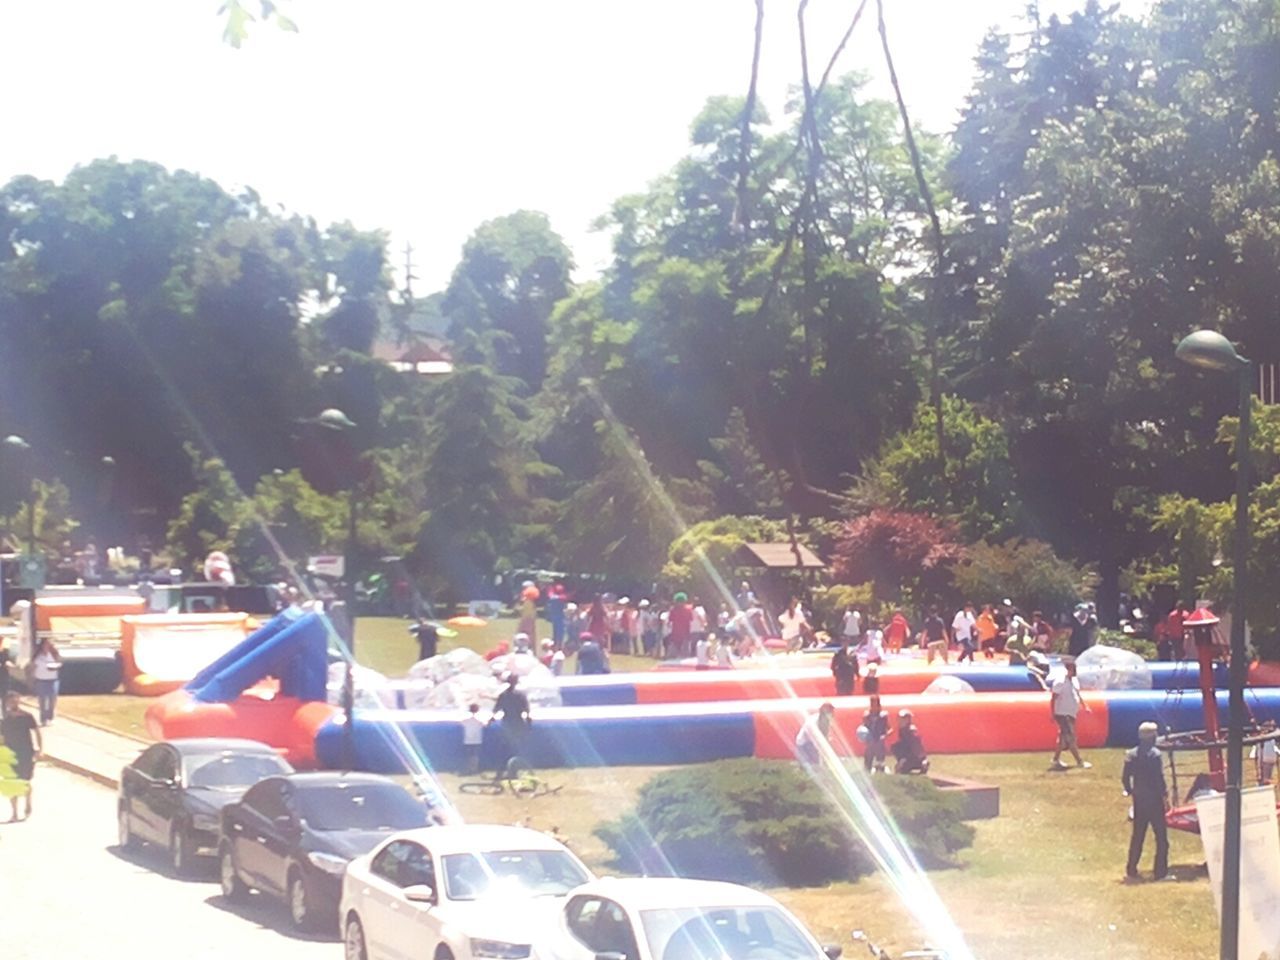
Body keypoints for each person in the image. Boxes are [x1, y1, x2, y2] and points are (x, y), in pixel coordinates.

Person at [1122, 721, 1169, 881]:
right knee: (1161, 838)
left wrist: (1130, 791)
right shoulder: (1155, 755)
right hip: (1154, 800)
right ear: (1151, 737)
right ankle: (1160, 872)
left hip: (1139, 800)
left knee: (1138, 836)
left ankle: (1131, 869)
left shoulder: (1131, 754)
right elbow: (1159, 778)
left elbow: (1125, 777)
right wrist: (1164, 793)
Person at [2, 691, 41, 821]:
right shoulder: (5, 720)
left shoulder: (27, 716)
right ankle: (14, 813)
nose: (13, 703)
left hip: (26, 753)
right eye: (11, 701)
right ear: (7, 702)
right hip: (10, 755)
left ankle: (28, 802)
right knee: (11, 783)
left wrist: (40, 749)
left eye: (15, 700)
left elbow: (37, 731)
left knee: (25, 781)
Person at [1050, 659, 1092, 770]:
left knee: (1063, 737)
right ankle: (1079, 761)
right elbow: (1053, 698)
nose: (1075, 672)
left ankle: (1056, 759)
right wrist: (1052, 713)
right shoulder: (1060, 682)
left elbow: (1077, 694)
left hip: (1071, 713)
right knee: (1070, 737)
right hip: (1062, 713)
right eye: (1073, 669)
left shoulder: (1074, 681)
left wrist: (1085, 706)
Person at [491, 675, 531, 776]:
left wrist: (491, 719)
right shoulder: (520, 695)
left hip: (507, 722)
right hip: (517, 722)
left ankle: (502, 771)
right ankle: (512, 771)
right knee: (515, 748)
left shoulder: (504, 695)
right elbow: (526, 709)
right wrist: (528, 719)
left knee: (505, 747)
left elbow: (496, 709)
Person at [32, 637, 62, 726]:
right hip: (41, 680)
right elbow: (33, 666)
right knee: (42, 701)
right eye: (46, 644)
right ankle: (43, 719)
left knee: (52, 700)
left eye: (49, 644)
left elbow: (59, 662)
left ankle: (50, 717)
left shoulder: (53, 654)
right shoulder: (37, 656)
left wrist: (56, 665)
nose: (47, 646)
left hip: (52, 680)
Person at [891, 709, 929, 774]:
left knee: (896, 747)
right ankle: (906, 764)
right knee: (896, 746)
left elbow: (916, 745)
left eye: (903, 719)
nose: (900, 720)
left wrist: (922, 758)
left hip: (914, 757)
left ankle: (921, 764)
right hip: (909, 755)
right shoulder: (903, 729)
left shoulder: (910, 731)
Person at [860, 696, 890, 773]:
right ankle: (868, 767)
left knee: (879, 752)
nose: (874, 706)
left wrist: (884, 735)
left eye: (875, 704)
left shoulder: (883, 716)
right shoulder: (867, 716)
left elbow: (888, 728)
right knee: (869, 755)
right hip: (870, 740)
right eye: (872, 704)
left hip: (879, 739)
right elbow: (864, 727)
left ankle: (880, 766)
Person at [461, 703, 485, 775]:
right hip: (477, 740)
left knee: (469, 755)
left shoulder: (465, 719)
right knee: (475, 755)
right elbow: (484, 725)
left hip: (468, 740)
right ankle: (474, 769)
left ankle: (469, 769)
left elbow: (461, 723)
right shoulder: (480, 718)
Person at [668, 593, 693, 659]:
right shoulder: (688, 610)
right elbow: (691, 620)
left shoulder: (673, 610)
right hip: (684, 633)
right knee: (684, 652)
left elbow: (670, 620)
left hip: (677, 633)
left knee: (676, 652)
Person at [545, 583, 568, 648]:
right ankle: (560, 645)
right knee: (561, 632)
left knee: (555, 631)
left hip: (554, 616)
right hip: (561, 616)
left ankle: (555, 644)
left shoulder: (552, 597)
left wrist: (549, 588)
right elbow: (568, 596)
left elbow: (549, 593)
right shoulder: (563, 597)